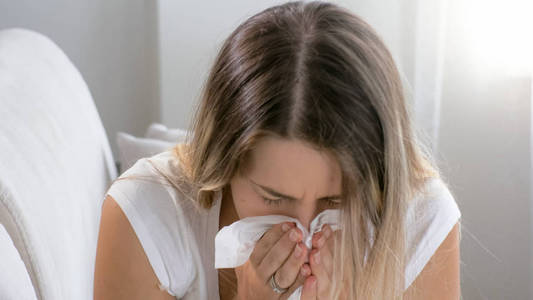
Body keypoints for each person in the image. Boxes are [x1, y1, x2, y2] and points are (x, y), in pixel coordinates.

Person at [94, 1, 462, 299]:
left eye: (334, 201)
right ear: (225, 164)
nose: (303, 229)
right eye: (274, 197)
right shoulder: (147, 214)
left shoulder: (420, 220)